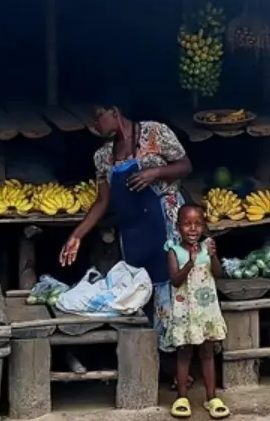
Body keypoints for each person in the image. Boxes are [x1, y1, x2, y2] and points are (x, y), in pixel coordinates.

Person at [59, 101, 193, 315]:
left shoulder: (155, 132)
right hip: (134, 232)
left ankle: (173, 343)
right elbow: (102, 201)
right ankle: (149, 341)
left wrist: (155, 172)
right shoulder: (103, 157)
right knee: (139, 287)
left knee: (172, 283)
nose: (94, 126)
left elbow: (185, 166)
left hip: (166, 224)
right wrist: (77, 235)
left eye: (97, 118)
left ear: (114, 112)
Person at [161, 204, 228, 419]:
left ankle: (212, 397)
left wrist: (213, 256)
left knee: (208, 353)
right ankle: (182, 397)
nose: (192, 229)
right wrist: (190, 262)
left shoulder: (208, 247)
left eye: (198, 224)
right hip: (185, 312)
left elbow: (217, 274)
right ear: (178, 226)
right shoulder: (173, 250)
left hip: (206, 311)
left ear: (204, 227)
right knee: (184, 353)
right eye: (187, 224)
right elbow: (175, 280)